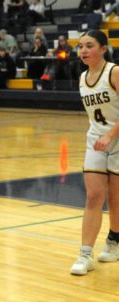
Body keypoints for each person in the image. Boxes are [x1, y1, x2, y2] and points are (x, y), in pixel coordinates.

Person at [71, 30, 119, 275]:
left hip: (117, 140)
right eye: (80, 46)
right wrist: (102, 135)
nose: (83, 51)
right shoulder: (82, 78)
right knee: (93, 196)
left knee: (115, 198)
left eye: (89, 45)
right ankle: (85, 253)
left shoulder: (114, 72)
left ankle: (115, 239)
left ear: (103, 48)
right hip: (95, 141)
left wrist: (111, 134)